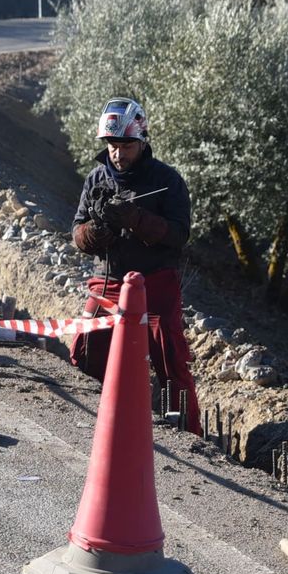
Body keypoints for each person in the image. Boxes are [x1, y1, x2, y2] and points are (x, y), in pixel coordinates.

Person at [70, 97, 202, 435]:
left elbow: (179, 234)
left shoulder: (168, 180)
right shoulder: (96, 179)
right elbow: (76, 234)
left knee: (170, 360)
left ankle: (190, 436)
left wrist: (137, 220)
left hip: (155, 284)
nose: (118, 152)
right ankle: (93, 424)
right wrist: (97, 231)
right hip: (107, 283)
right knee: (84, 353)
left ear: (141, 140)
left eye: (126, 144)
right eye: (112, 144)